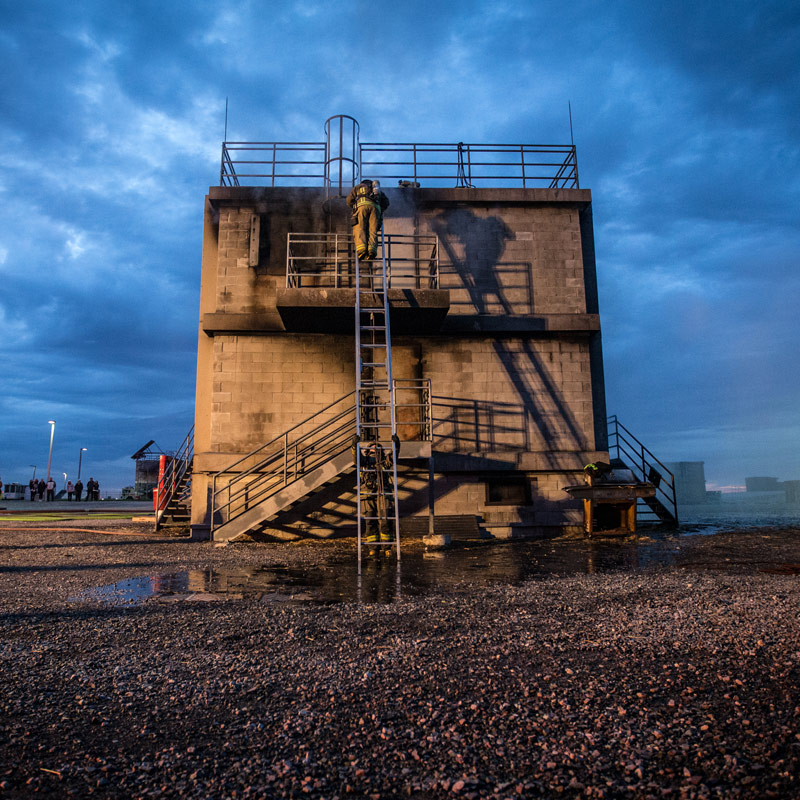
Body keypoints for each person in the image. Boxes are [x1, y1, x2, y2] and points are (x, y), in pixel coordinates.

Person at [346, 179, 389, 261]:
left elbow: (348, 200)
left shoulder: (358, 187)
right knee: (373, 230)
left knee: (360, 228)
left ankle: (362, 250)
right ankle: (372, 251)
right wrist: (380, 210)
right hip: (375, 209)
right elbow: (386, 203)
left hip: (362, 207)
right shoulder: (377, 191)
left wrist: (354, 206)